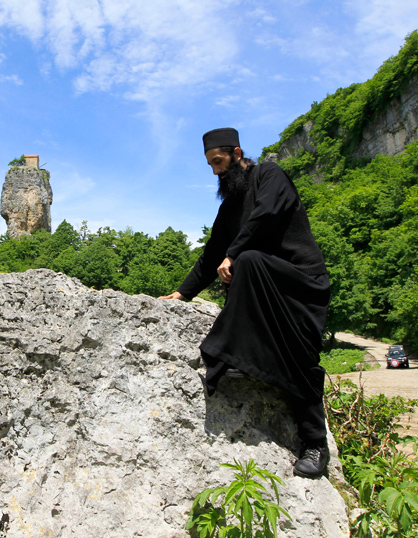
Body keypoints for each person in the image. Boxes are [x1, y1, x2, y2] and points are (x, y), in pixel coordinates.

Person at [159, 127, 331, 479]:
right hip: (264, 290)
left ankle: (316, 446)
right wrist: (181, 293)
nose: (215, 172)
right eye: (209, 165)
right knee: (248, 262)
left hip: (300, 284)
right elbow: (211, 255)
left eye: (218, 162)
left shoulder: (271, 175)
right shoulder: (230, 205)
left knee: (250, 262)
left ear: (236, 154)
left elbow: (265, 215)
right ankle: (241, 358)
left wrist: (234, 253)